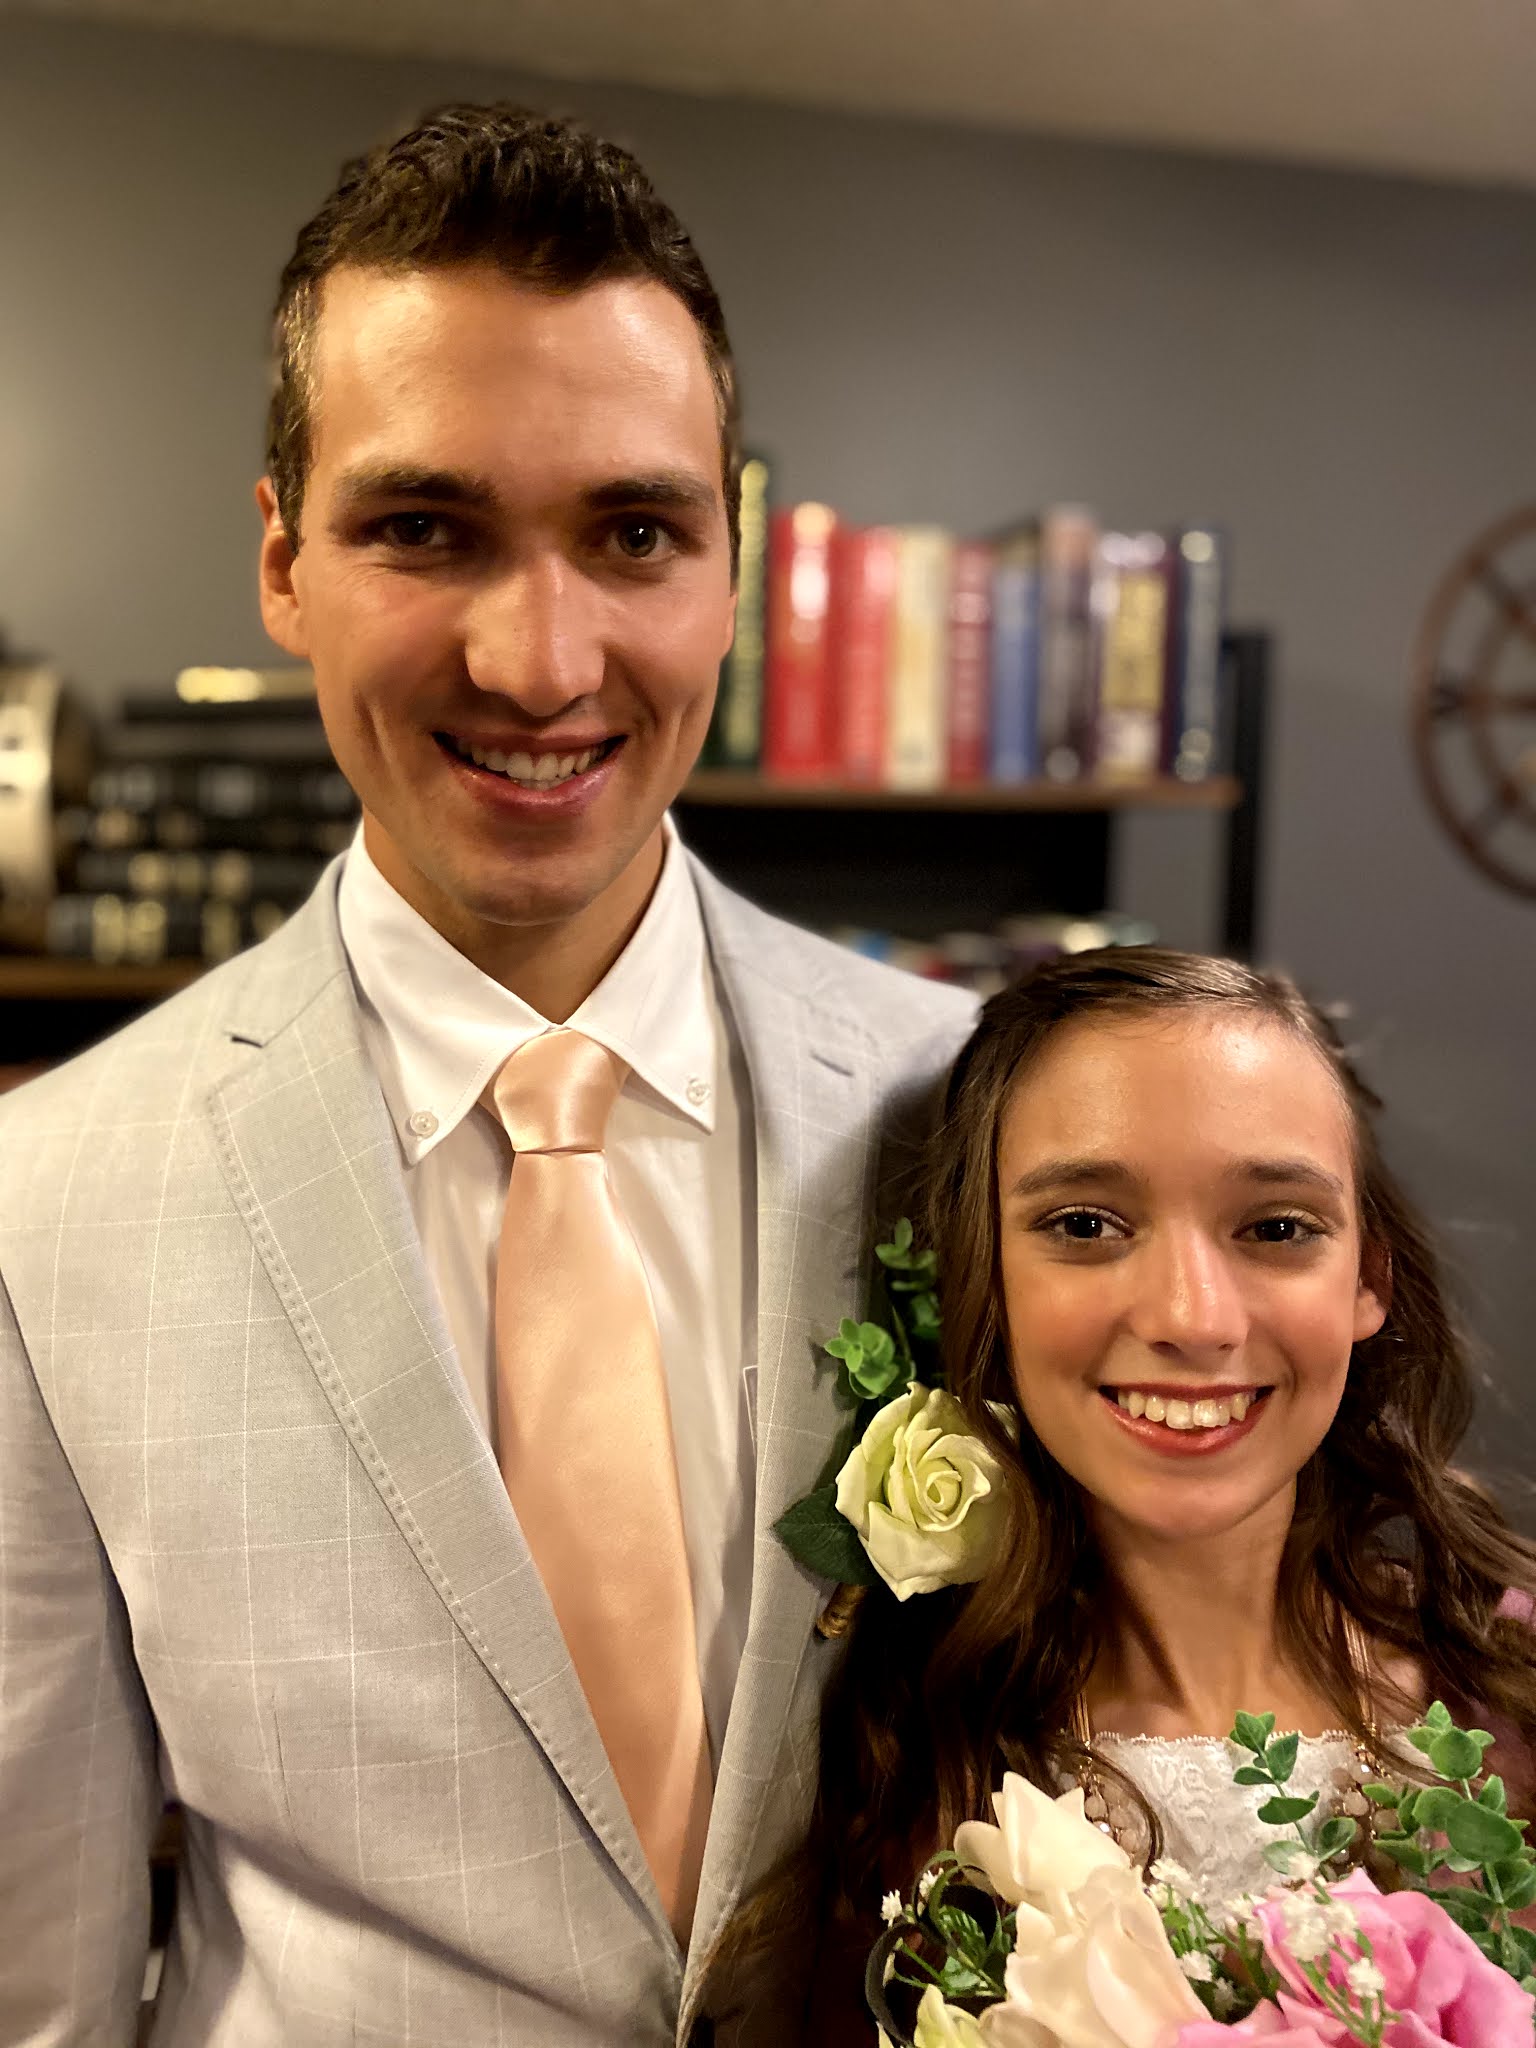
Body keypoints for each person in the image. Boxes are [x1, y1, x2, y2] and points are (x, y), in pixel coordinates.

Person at [0, 105, 976, 2045]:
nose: (543, 663)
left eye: (634, 534)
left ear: (729, 566)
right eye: (425, 530)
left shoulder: (965, 1106)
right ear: (283, 562)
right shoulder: (45, 1199)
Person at [790, 946, 1536, 2026]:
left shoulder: (1510, 1700)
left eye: (1275, 1228)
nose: (1193, 1316)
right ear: (980, 1277)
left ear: (1368, 1278)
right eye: (1085, 1225)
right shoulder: (896, 1763)